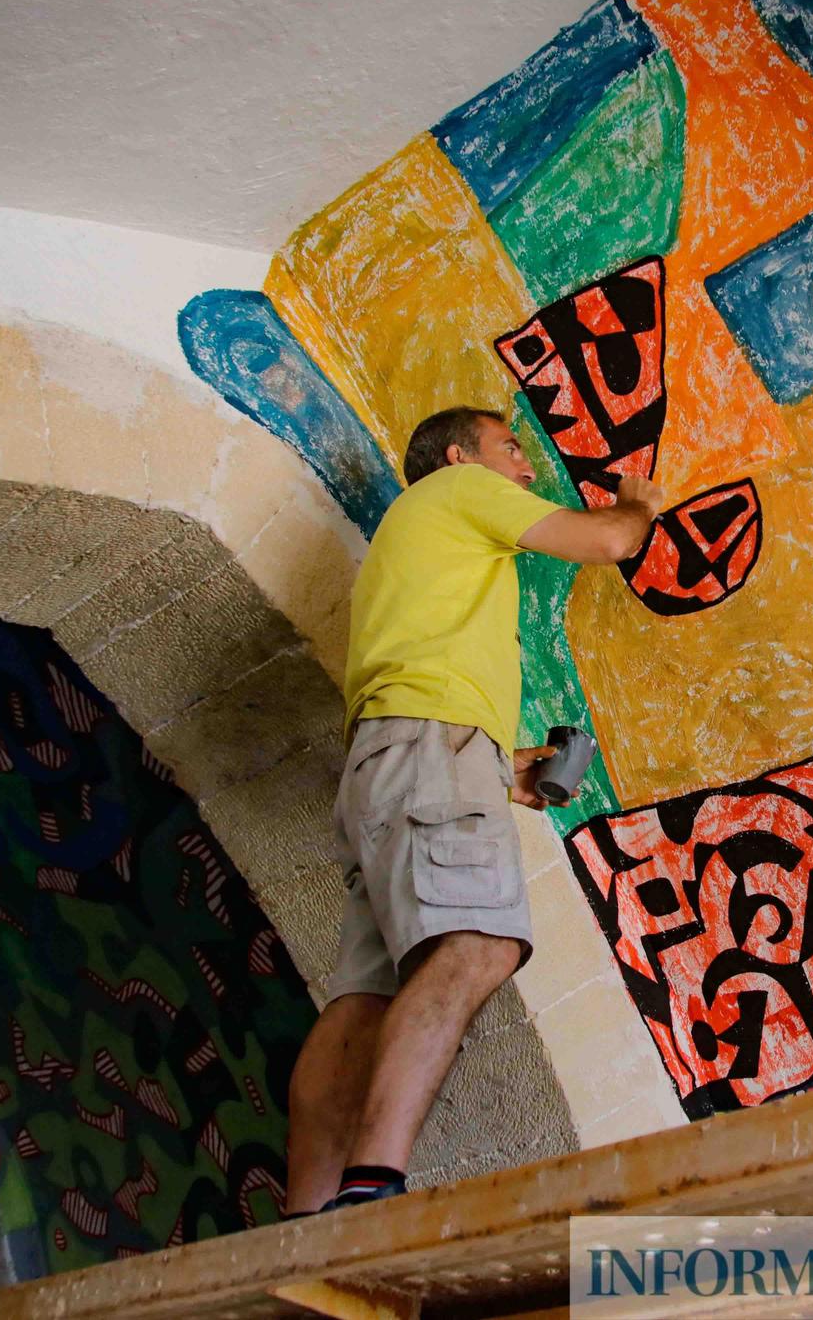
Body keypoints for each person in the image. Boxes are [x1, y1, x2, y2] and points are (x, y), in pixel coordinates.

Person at [282, 405, 663, 1213]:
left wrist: (500, 767)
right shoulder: (458, 487)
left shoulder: (418, 540)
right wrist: (639, 504)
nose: (527, 470)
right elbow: (607, 541)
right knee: (477, 945)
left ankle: (302, 1219)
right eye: (511, 450)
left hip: (392, 762)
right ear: (459, 455)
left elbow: (420, 690)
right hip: (426, 751)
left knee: (365, 1000)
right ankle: (371, 1186)